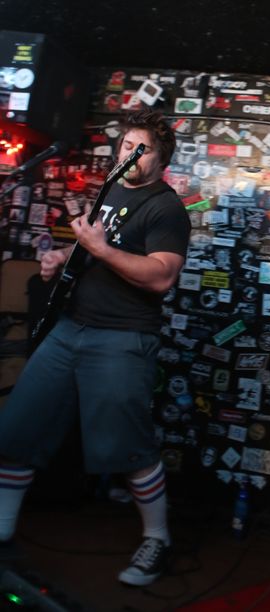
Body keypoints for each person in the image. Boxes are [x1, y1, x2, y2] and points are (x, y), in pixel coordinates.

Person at [0, 110, 190, 586]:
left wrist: (100, 248)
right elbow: (93, 246)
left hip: (123, 337)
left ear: (161, 159)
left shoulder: (166, 208)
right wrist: (60, 255)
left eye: (142, 149)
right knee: (18, 429)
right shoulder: (113, 190)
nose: (130, 155)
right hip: (70, 329)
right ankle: (2, 531)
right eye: (126, 145)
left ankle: (158, 539)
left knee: (128, 449)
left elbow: (162, 275)